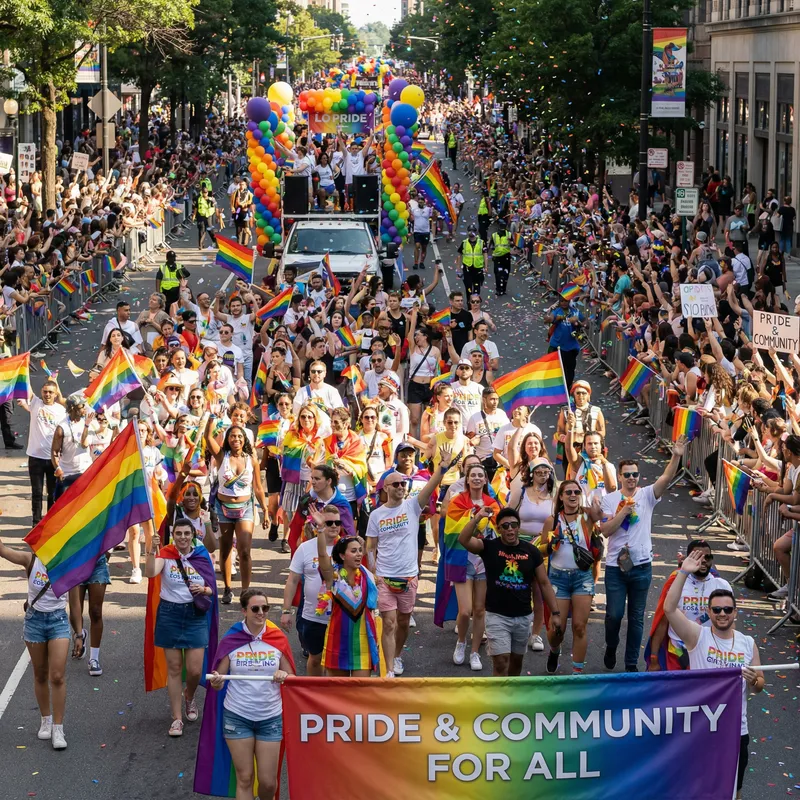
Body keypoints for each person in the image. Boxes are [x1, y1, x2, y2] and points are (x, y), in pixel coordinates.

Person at [664, 549, 764, 800]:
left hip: (736, 730)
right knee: (697, 785)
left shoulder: (747, 643)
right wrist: (683, 572)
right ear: (708, 613)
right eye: (717, 610)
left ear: (735, 613)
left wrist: (755, 681)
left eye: (727, 610)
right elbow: (669, 608)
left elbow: (760, 684)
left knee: (734, 789)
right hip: (701, 726)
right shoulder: (697, 637)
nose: (722, 614)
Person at [599, 436, 687, 671]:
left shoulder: (647, 495)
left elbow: (666, 478)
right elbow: (606, 530)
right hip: (616, 568)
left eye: (634, 475)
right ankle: (611, 645)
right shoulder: (609, 499)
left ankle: (630, 664)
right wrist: (623, 512)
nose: (630, 478)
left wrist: (676, 455)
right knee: (615, 615)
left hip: (641, 567)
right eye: (626, 474)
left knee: (636, 618)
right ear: (619, 477)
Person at [367, 448, 450, 677]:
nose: (401, 487)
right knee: (390, 623)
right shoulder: (376, 516)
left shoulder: (413, 505)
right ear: (386, 488)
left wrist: (441, 467)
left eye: (403, 484)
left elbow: (431, 485)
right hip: (385, 576)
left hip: (409, 576)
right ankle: (389, 670)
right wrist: (374, 570)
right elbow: (370, 546)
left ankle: (397, 655)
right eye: (396, 484)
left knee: (403, 622)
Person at [207, 589, 296, 800]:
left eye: (265, 608)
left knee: (268, 782)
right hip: (237, 717)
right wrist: (217, 682)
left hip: (271, 717)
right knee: (245, 777)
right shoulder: (231, 640)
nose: (261, 613)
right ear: (243, 611)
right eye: (255, 609)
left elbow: (292, 678)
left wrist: (284, 675)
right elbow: (217, 681)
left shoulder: (277, 639)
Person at [458, 506, 561, 676]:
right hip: (497, 616)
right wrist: (477, 518)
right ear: (499, 529)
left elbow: (544, 583)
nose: (510, 529)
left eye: (514, 525)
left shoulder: (532, 552)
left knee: (515, 662)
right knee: (500, 661)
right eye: (505, 526)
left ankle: (511, 697)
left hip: (522, 616)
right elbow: (464, 539)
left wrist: (555, 613)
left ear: (519, 527)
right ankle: (499, 701)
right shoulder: (489, 547)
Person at [145, 519, 217, 737]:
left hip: (195, 616)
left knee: (195, 670)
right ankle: (176, 719)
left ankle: (189, 695)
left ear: (193, 535)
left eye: (187, 533)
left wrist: (204, 590)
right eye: (179, 533)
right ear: (173, 535)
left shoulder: (202, 555)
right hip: (170, 614)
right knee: (174, 669)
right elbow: (150, 573)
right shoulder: (166, 554)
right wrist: (150, 549)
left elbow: (213, 588)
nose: (183, 537)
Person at [0, 536, 70, 749]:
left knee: (56, 676)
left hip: (58, 621)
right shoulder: (30, 561)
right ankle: (45, 719)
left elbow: (75, 602)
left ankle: (58, 728)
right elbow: (2, 550)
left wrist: (78, 633)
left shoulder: (68, 566)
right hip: (34, 622)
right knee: (40, 673)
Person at [539, 480, 602, 674]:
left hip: (582, 578)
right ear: (561, 496)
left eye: (576, 492)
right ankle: (554, 650)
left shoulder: (587, 516)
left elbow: (602, 518)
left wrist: (597, 506)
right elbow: (541, 552)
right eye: (568, 492)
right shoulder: (552, 520)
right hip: (558, 578)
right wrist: (551, 544)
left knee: (579, 626)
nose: (573, 495)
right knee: (557, 628)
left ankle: (577, 674)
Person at [204, 421, 269, 604]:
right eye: (232, 436)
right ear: (227, 439)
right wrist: (211, 419)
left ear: (245, 439)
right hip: (223, 509)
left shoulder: (251, 459)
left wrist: (264, 509)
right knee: (225, 550)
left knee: (245, 551)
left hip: (246, 508)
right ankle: (227, 588)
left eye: (240, 436)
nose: (236, 439)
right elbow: (208, 438)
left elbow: (257, 487)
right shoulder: (221, 456)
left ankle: (246, 591)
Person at [645, 539, 732, 671]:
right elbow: (662, 621)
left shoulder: (722, 586)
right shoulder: (676, 583)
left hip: (709, 654)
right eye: (698, 557)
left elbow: (729, 623)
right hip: (677, 654)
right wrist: (654, 658)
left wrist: (731, 652)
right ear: (688, 559)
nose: (703, 561)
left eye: (707, 557)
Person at [315, 511, 380, 676]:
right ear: (342, 555)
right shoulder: (333, 577)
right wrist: (321, 529)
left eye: (360, 550)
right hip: (338, 641)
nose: (359, 554)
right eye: (353, 551)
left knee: (360, 694)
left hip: (363, 641)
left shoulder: (367, 576)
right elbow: (323, 555)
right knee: (337, 694)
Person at [281, 504, 341, 676]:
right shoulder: (306, 548)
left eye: (338, 522)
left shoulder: (347, 547)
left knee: (336, 661)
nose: (335, 526)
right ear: (319, 524)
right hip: (312, 616)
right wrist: (286, 610)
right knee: (315, 658)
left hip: (341, 616)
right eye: (329, 523)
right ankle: (315, 694)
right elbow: (292, 580)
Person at [19, 381, 66, 525]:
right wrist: (25, 366)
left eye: (51, 392)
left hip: (54, 459)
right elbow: (28, 387)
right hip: (35, 457)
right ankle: (36, 522)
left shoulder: (61, 410)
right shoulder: (35, 404)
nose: (47, 395)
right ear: (41, 392)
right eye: (45, 391)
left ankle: (50, 522)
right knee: (37, 492)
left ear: (56, 394)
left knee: (52, 493)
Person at [543, 295, 584, 390]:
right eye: (562, 301)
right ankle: (556, 390)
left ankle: (568, 389)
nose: (564, 303)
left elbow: (586, 324)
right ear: (559, 302)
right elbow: (549, 319)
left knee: (569, 372)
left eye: (566, 301)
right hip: (556, 346)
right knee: (555, 369)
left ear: (569, 301)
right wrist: (549, 316)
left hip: (571, 348)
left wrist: (578, 322)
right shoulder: (556, 311)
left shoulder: (575, 311)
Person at [455, 226, 487, 297]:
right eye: (470, 231)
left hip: (478, 268)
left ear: (475, 232)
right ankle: (469, 303)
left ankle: (475, 303)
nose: (471, 232)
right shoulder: (464, 243)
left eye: (472, 231)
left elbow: (485, 255)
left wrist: (486, 267)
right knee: (468, 287)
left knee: (477, 287)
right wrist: (458, 269)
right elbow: (459, 256)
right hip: (467, 268)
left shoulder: (481, 242)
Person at [489, 219, 512, 296]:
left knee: (505, 273)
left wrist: (511, 242)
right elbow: (490, 245)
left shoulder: (509, 234)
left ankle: (503, 289)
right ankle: (499, 289)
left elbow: (513, 244)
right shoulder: (494, 235)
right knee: (498, 274)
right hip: (497, 257)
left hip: (506, 257)